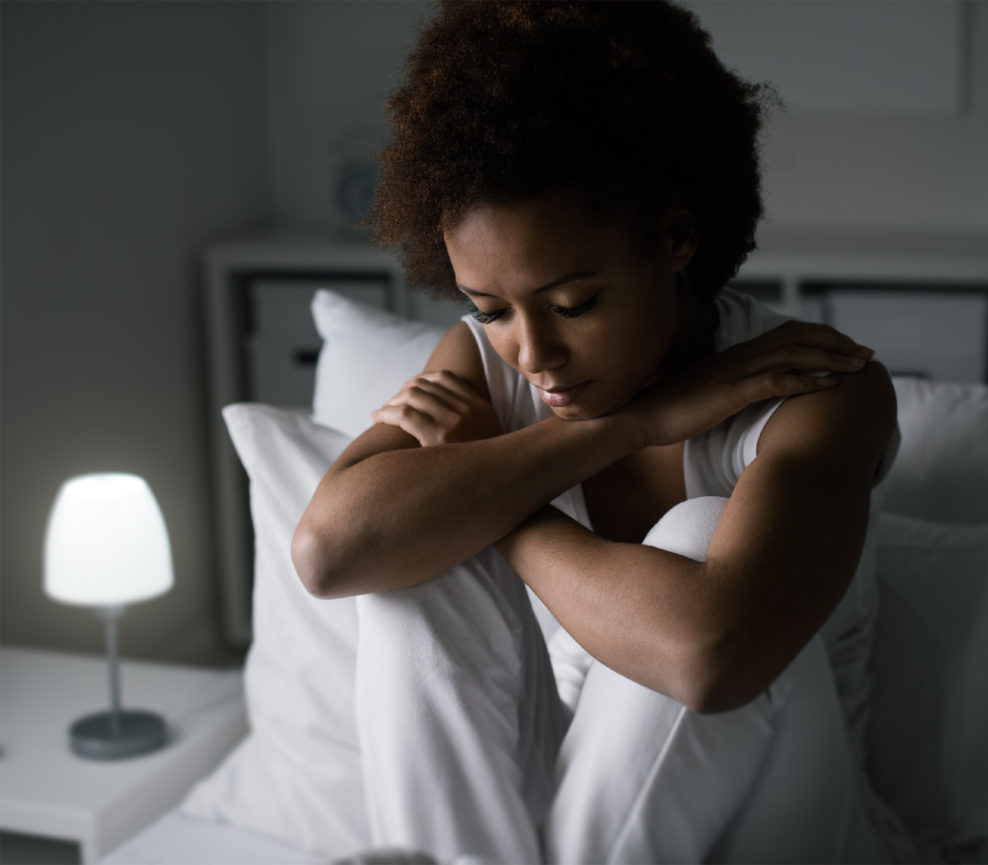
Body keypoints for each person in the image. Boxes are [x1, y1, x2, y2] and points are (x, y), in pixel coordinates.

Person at [292, 2, 916, 862]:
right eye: (491, 310)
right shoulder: (490, 361)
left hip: (790, 821)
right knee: (415, 553)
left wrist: (500, 497)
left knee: (690, 535)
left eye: (574, 303)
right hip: (586, 804)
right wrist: (636, 424)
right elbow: (331, 553)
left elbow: (710, 659)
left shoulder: (815, 390)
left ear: (675, 236)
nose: (534, 354)